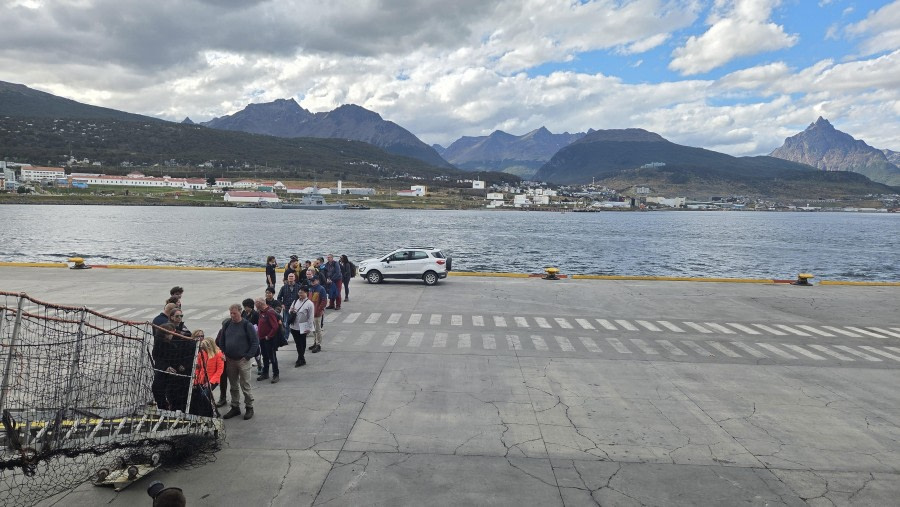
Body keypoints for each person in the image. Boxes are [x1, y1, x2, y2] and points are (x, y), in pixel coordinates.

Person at [216, 304, 259, 420]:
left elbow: (255, 342)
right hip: (230, 360)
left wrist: (248, 356)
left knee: (245, 385)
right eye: (230, 313)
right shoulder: (227, 324)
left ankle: (249, 407)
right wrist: (224, 352)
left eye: (234, 313)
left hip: (243, 360)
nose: (232, 315)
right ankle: (235, 407)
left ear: (240, 312)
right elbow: (222, 340)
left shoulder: (247, 325)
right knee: (233, 385)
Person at [189, 331, 222, 417]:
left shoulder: (218, 354)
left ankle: (209, 415)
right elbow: (198, 368)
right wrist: (195, 381)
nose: (202, 349)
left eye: (204, 348)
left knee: (205, 396)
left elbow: (219, 370)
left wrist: (211, 382)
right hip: (202, 379)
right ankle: (205, 414)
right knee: (200, 397)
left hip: (212, 380)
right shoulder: (202, 353)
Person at [255, 298, 281, 383]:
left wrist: (268, 336)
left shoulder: (269, 312)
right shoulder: (261, 312)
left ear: (260, 303)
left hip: (269, 340)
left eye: (256, 303)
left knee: (272, 357)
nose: (255, 305)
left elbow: (275, 326)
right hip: (262, 338)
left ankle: (276, 374)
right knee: (265, 356)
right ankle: (265, 373)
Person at [288, 288, 314, 367]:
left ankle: (301, 358)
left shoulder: (309, 303)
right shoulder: (295, 301)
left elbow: (310, 317)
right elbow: (289, 311)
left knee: (302, 343)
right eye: (299, 293)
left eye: (302, 293)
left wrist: (309, 328)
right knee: (297, 343)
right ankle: (301, 358)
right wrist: (291, 310)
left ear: (306, 293)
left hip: (303, 326)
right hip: (294, 326)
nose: (300, 294)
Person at [277, 273, 302, 337]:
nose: (290, 278)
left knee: (297, 323)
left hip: (296, 308)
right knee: (286, 323)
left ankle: (297, 336)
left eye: (292, 276)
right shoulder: (283, 287)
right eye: (289, 276)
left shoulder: (299, 287)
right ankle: (286, 337)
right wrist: (282, 304)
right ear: (287, 278)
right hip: (287, 308)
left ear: (294, 278)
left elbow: (302, 297)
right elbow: (279, 297)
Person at [307, 276, 327, 353]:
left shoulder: (321, 289)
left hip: (317, 313)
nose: (312, 282)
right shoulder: (311, 289)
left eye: (313, 280)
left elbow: (324, 301)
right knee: (314, 329)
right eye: (311, 281)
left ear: (318, 281)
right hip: (311, 313)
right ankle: (315, 343)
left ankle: (318, 345)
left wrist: (320, 310)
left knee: (318, 329)